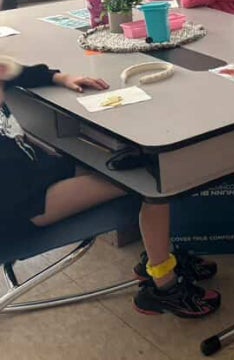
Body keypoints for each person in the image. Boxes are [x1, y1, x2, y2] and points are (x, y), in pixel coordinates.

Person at [0, 58, 219, 318]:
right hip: (25, 208)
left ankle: (158, 255)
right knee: (152, 179)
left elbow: (16, 71)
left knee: (124, 157)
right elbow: (18, 199)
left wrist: (60, 78)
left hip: (35, 177)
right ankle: (164, 284)